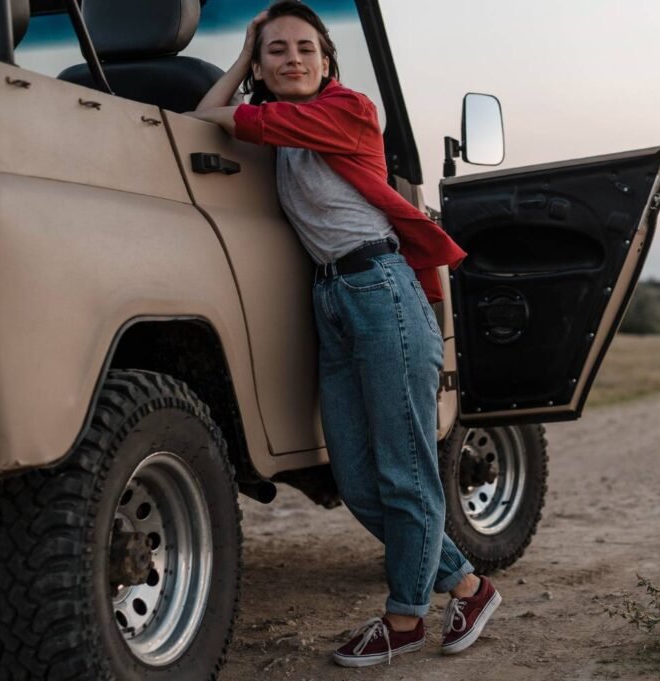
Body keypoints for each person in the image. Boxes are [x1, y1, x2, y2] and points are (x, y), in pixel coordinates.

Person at [188, 0, 501, 668]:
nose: (293, 59)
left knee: (405, 470)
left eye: (306, 48)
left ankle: (405, 618)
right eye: (277, 51)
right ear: (260, 68)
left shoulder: (350, 109)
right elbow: (206, 114)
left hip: (380, 289)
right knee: (357, 479)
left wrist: (255, 69)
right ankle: (469, 588)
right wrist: (242, 56)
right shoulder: (282, 127)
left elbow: (223, 118)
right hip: (332, 297)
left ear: (328, 61)